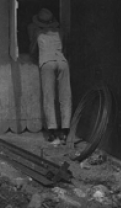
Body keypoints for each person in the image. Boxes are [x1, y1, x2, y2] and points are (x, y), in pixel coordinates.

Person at [28, 8, 71, 145]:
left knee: (49, 96)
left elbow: (33, 51)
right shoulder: (60, 32)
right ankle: (65, 130)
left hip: (47, 62)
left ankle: (52, 131)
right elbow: (64, 48)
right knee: (65, 96)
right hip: (62, 62)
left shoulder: (37, 33)